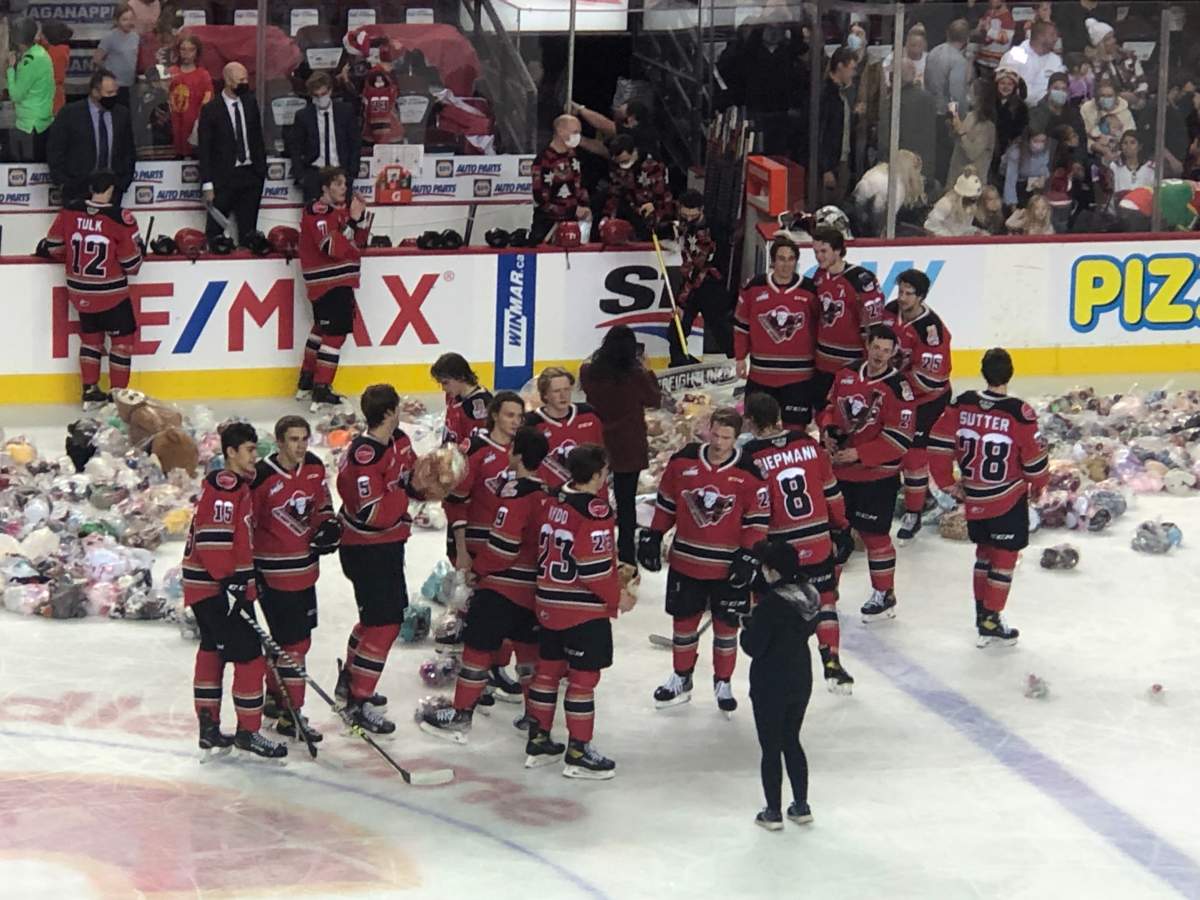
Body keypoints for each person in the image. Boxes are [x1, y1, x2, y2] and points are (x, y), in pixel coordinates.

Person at [420, 426, 550, 743]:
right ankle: (537, 725)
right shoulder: (547, 494)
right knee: (529, 654)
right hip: (534, 590)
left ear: (516, 454)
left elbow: (504, 548)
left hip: (503, 589)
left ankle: (461, 716)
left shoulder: (515, 495)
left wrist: (477, 570)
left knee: (478, 649)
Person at [638, 408, 769, 714]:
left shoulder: (750, 472)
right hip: (687, 561)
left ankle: (723, 682)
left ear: (737, 438)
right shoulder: (683, 460)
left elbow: (757, 519)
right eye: (716, 434)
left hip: (727, 568)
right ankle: (681, 678)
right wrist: (654, 535)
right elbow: (667, 502)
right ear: (708, 429)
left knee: (727, 628)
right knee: (683, 625)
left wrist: (748, 554)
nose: (720, 442)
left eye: (727, 437)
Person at [527, 444, 637, 779]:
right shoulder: (597, 511)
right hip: (581, 610)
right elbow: (592, 568)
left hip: (547, 602)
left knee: (547, 672)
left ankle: (539, 740)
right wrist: (618, 597)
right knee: (583, 679)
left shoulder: (553, 500)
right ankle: (578, 752)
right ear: (600, 473)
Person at [928, 348, 1049, 646]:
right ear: (1010, 372)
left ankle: (982, 614)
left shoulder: (963, 404)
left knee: (983, 554)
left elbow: (939, 442)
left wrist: (947, 482)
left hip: (974, 498)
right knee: (1004, 559)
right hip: (1006, 498)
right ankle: (991, 619)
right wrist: (1039, 485)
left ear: (983, 372)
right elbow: (1034, 461)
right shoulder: (1018, 412)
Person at [184, 421, 287, 760]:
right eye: (249, 450)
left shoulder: (233, 485)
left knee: (212, 649)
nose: (254, 457)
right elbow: (212, 539)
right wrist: (230, 582)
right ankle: (249, 732)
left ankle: (209, 727)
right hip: (218, 588)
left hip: (211, 586)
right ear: (230, 452)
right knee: (249, 657)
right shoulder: (226, 485)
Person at [743, 393, 854, 694]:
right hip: (817, 538)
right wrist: (841, 526)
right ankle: (832, 662)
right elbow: (832, 491)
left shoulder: (750, 456)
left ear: (750, 421)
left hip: (780, 548)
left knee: (768, 604)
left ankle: (774, 660)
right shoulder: (808, 444)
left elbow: (749, 509)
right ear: (778, 415)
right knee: (826, 599)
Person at [334, 384, 423, 734]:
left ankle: (349, 683)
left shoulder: (399, 440)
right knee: (385, 623)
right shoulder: (363, 455)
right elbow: (372, 513)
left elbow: (412, 477)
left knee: (373, 620)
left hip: (388, 546)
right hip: (366, 549)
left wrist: (431, 480)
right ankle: (359, 698)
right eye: (397, 407)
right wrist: (402, 496)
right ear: (387, 412)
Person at [817, 324, 915, 623]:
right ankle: (826, 596)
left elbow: (901, 438)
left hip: (877, 477)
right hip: (841, 474)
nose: (880, 355)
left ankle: (884, 593)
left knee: (874, 536)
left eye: (887, 351)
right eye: (877, 348)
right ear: (868, 346)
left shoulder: (899, 388)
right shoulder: (846, 374)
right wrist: (828, 430)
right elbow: (829, 407)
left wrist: (860, 453)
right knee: (835, 534)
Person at [250, 415, 339, 743]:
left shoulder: (315, 468)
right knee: (294, 645)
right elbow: (247, 524)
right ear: (279, 442)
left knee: (291, 642)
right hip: (273, 574)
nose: (300, 446)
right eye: (293, 439)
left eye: (304, 439)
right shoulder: (260, 477)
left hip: (305, 570)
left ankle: (275, 698)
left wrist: (328, 524)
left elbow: (322, 504)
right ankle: (291, 714)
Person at [443, 391, 527, 700]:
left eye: (519, 416)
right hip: (476, 546)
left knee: (505, 610)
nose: (515, 422)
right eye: (509, 415)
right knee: (479, 614)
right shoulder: (476, 450)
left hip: (508, 547)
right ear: (493, 416)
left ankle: (495, 669)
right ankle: (473, 675)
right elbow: (455, 502)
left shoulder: (524, 450)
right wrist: (462, 550)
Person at [40, 170, 143, 408]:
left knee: (91, 340)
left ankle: (89, 392)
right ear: (109, 190)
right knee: (122, 343)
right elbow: (131, 264)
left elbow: (53, 245)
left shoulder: (70, 212)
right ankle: (119, 397)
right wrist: (140, 253)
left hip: (79, 292)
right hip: (111, 293)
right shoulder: (120, 218)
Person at [737, 539, 819, 831]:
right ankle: (801, 804)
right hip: (800, 676)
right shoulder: (810, 594)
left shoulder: (771, 605)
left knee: (770, 748)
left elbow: (754, 647)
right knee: (792, 740)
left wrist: (747, 628)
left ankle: (773, 811)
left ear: (772, 570)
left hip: (771, 681)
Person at [579, 326, 662, 565]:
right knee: (626, 505)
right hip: (629, 443)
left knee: (591, 497)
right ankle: (626, 556)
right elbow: (654, 399)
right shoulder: (635, 376)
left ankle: (590, 548)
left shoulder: (589, 372)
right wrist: (648, 369)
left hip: (597, 441)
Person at [880, 269, 953, 542]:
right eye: (900, 291)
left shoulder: (931, 330)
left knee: (912, 455)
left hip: (927, 400)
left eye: (909, 293)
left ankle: (914, 511)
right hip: (896, 395)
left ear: (921, 296)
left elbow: (931, 379)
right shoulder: (889, 312)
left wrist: (896, 390)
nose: (902, 297)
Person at [297, 166, 371, 409]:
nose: (344, 188)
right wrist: (352, 220)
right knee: (335, 335)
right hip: (330, 283)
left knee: (320, 330)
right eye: (338, 184)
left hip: (335, 282)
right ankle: (321, 388)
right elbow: (331, 247)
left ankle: (306, 382)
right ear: (324, 188)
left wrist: (359, 220)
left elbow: (357, 243)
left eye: (344, 184)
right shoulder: (317, 212)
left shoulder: (335, 212)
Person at [735, 235, 820, 428]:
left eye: (791, 259)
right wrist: (740, 357)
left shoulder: (810, 290)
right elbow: (742, 325)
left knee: (796, 430)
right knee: (758, 427)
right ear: (773, 261)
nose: (786, 264)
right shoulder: (754, 287)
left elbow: (820, 328)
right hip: (761, 374)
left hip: (799, 376)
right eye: (781, 258)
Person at [811, 226, 884, 412]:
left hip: (850, 365)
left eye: (824, 251)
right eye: (816, 252)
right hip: (823, 363)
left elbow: (873, 327)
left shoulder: (861, 280)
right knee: (822, 413)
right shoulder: (819, 276)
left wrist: (869, 364)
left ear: (837, 250)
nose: (819, 256)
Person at [197, 62, 267, 247]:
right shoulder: (211, 109)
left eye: (246, 79)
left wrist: (261, 171)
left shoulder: (250, 102)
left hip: (250, 175)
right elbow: (204, 149)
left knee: (249, 232)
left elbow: (257, 138)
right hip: (223, 179)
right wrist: (207, 184)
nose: (245, 83)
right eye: (241, 80)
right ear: (228, 81)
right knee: (215, 231)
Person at [47, 70, 135, 207]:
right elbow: (55, 150)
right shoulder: (70, 113)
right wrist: (64, 184)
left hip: (112, 192)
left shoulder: (122, 114)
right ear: (95, 92)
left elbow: (128, 151)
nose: (114, 96)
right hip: (77, 190)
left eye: (115, 92)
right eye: (109, 93)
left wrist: (122, 183)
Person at [672, 190, 731, 363]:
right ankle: (679, 365)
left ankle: (736, 362)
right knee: (676, 330)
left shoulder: (713, 229)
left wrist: (681, 301)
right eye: (685, 214)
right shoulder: (685, 223)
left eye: (692, 214)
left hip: (709, 286)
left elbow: (700, 265)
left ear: (701, 209)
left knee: (720, 328)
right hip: (690, 285)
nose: (688, 218)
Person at [524, 366, 604, 492]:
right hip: (552, 500)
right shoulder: (532, 424)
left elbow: (603, 456)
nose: (563, 395)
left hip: (591, 496)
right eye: (556, 391)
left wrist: (599, 484)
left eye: (567, 389)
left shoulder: (589, 415)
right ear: (545, 394)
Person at [289, 71, 362, 204]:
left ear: (330, 91)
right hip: (314, 174)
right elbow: (295, 148)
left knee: (342, 218)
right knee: (314, 219)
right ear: (311, 95)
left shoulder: (345, 111)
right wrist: (301, 176)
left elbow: (355, 143)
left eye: (323, 94)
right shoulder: (303, 116)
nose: (320, 98)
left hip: (340, 172)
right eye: (316, 96)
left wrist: (351, 173)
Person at [529, 114, 591, 244]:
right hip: (549, 228)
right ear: (561, 131)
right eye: (575, 132)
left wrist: (585, 207)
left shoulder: (573, 156)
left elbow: (579, 186)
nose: (578, 136)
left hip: (574, 226)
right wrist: (572, 210)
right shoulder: (544, 161)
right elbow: (541, 200)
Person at [924, 19, 973, 181]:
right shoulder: (958, 61)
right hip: (946, 115)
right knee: (945, 157)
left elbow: (926, 81)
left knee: (933, 152)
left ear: (947, 33)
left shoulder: (933, 52)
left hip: (930, 109)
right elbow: (956, 94)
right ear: (966, 39)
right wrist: (961, 118)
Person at [603, 133, 674, 241]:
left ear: (634, 152)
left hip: (655, 216)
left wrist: (654, 206)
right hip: (632, 213)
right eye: (620, 162)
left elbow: (664, 196)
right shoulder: (615, 167)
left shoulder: (653, 165)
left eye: (625, 161)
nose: (623, 165)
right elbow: (614, 193)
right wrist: (607, 217)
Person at [6, 17, 54, 162]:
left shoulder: (29, 62)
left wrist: (11, 69)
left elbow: (15, 95)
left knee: (29, 169)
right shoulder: (41, 52)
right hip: (42, 120)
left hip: (30, 126)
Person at [818, 48, 858, 206]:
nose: (853, 74)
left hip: (841, 160)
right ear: (840, 66)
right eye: (852, 68)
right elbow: (819, 133)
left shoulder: (841, 95)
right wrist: (825, 168)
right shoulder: (826, 96)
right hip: (831, 164)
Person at [431, 353, 493, 445]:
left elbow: (484, 443)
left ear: (461, 376)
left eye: (445, 383)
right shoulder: (452, 396)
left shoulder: (481, 404)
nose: (443, 388)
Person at [999, 19, 1064, 106]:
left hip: (1046, 110)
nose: (1056, 38)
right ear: (1040, 36)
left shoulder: (1056, 60)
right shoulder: (1016, 54)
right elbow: (1004, 86)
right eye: (1052, 35)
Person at [167, 35, 212, 158]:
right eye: (183, 49)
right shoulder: (171, 72)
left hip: (194, 126)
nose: (186, 53)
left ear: (197, 52)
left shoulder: (203, 75)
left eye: (191, 49)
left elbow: (207, 100)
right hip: (174, 124)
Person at [92, 5, 140, 107]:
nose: (129, 22)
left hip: (131, 84)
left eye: (131, 19)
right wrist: (109, 72)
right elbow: (96, 59)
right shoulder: (110, 37)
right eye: (124, 19)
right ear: (116, 21)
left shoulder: (136, 37)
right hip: (115, 86)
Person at [924, 168, 986, 236]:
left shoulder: (970, 207)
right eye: (970, 199)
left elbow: (962, 229)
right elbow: (929, 226)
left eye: (975, 199)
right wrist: (949, 237)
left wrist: (975, 231)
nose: (972, 203)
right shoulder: (946, 204)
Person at [1080, 78, 1134, 156]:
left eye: (1109, 96)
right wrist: (1100, 148)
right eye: (1103, 96)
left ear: (1116, 97)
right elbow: (1085, 135)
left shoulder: (1125, 113)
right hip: (1092, 153)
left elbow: (1130, 136)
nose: (1106, 99)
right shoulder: (1088, 109)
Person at [1003, 126, 1051, 206]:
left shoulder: (1045, 150)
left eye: (1042, 141)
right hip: (1015, 183)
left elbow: (1043, 167)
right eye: (1036, 141)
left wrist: (1043, 177)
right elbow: (1010, 183)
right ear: (1028, 140)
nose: (1039, 145)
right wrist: (1013, 209)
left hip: (1031, 186)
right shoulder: (1015, 153)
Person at [993, 67, 1029, 165]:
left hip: (1007, 149)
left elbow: (1021, 130)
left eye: (1010, 84)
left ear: (1015, 87)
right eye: (1002, 83)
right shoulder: (989, 101)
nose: (1006, 87)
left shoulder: (1020, 106)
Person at [1029, 71, 1082, 138]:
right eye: (1056, 88)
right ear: (1048, 90)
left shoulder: (1074, 114)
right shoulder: (1035, 114)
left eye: (1064, 89)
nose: (1060, 92)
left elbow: (1081, 139)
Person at [40, 20, 72, 116]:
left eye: (42, 33)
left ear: (48, 37)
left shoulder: (58, 53)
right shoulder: (46, 48)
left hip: (51, 99)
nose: (39, 34)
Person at [1108, 129, 1154, 196]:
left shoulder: (1150, 167)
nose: (1128, 146)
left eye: (1132, 143)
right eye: (1125, 143)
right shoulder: (1114, 166)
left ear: (1140, 146)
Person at [974, 0, 1015, 72]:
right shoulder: (988, 13)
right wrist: (979, 28)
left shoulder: (1008, 17)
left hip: (996, 64)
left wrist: (989, 30)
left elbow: (1004, 39)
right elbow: (980, 36)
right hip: (981, 60)